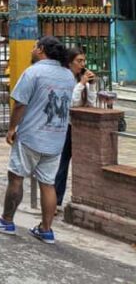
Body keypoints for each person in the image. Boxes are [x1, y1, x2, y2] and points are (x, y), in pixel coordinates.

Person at [0, 36, 76, 244]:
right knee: (48, 183)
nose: (32, 50)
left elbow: (20, 104)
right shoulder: (68, 76)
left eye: (34, 47)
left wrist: (12, 128)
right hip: (56, 138)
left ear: (41, 50)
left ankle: (6, 221)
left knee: (16, 177)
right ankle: (46, 229)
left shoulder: (34, 72)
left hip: (32, 135)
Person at [54, 47, 95, 209]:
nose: (82, 64)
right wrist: (81, 85)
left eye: (84, 61)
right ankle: (56, 200)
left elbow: (91, 103)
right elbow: (69, 103)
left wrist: (90, 85)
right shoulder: (65, 79)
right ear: (70, 62)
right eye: (79, 61)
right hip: (66, 126)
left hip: (79, 127)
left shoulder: (81, 79)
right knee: (63, 163)